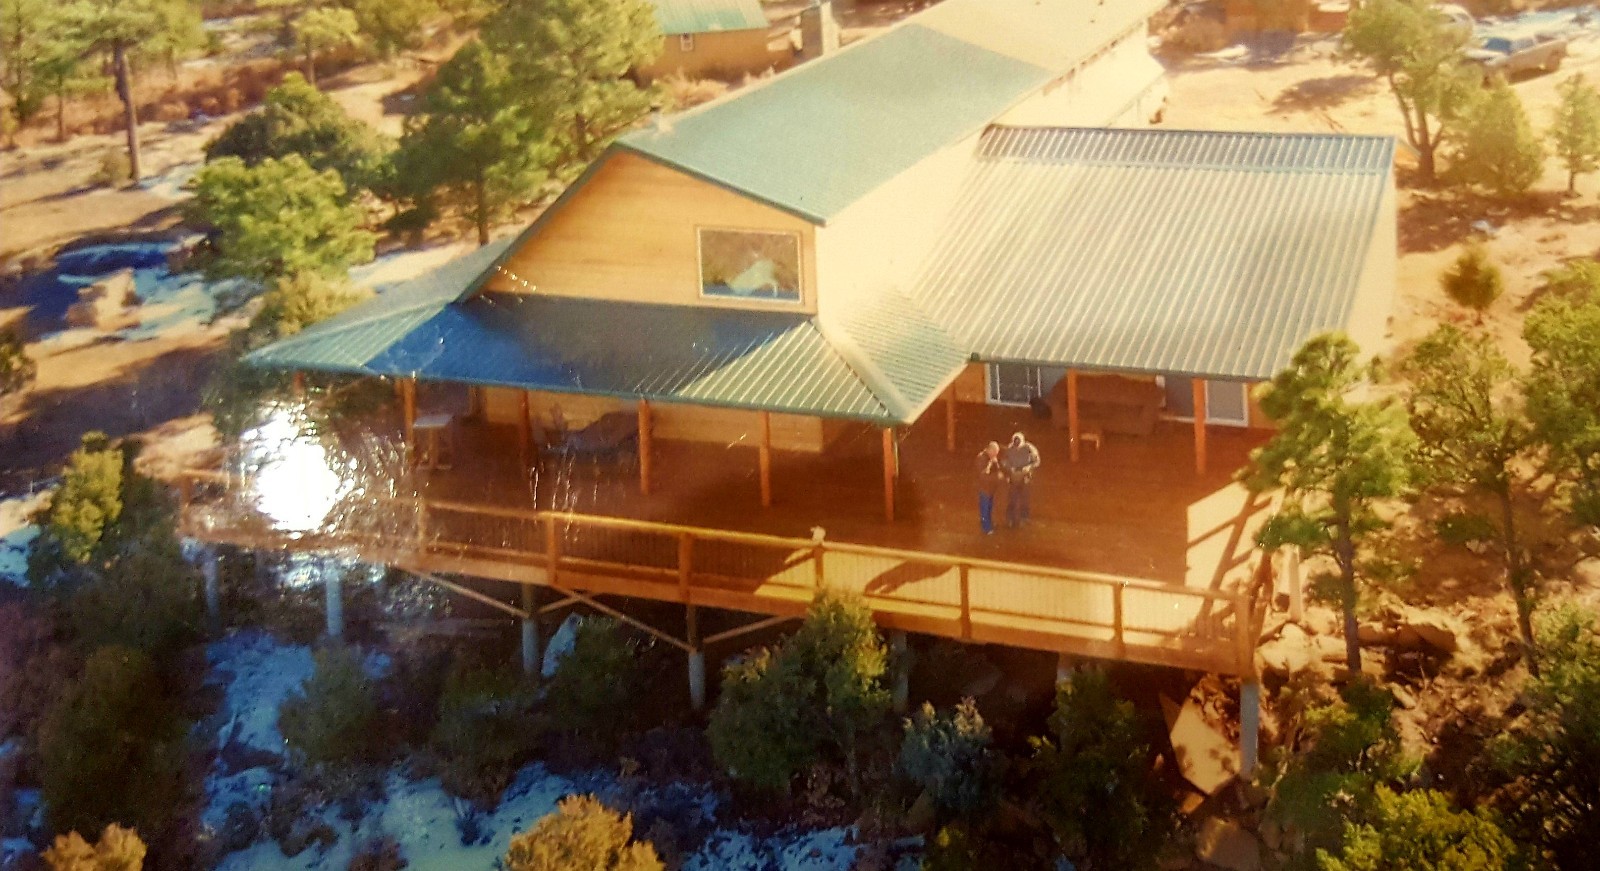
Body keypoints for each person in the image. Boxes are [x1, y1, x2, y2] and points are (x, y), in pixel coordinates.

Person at [1002, 431, 1041, 528]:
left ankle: (1024, 517)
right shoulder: (1009, 449)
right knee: (1012, 498)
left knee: (1025, 499)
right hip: (1014, 477)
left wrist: (1029, 467)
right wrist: (1009, 468)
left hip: (1025, 477)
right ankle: (1010, 518)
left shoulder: (1029, 449)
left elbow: (1037, 461)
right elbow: (1004, 461)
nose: (1017, 446)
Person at [974, 441, 1004, 535]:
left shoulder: (991, 458)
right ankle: (985, 527)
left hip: (990, 488)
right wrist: (996, 477)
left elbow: (996, 470)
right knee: (985, 508)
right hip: (984, 488)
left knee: (989, 507)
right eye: (995, 452)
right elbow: (983, 475)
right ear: (990, 450)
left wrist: (996, 464)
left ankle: (989, 523)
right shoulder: (981, 458)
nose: (996, 455)